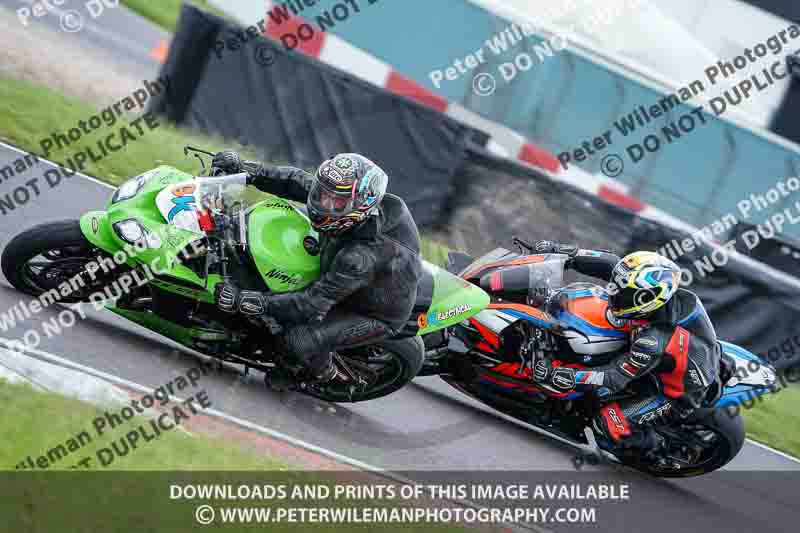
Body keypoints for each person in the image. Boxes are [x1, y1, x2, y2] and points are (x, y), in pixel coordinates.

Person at [210, 150, 423, 384]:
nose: (324, 203)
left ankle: (323, 374)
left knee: (299, 340)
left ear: (360, 206)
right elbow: (296, 182)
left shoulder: (359, 258)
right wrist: (246, 170)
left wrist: (247, 300)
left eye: (336, 202)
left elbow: (310, 304)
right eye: (323, 193)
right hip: (350, 262)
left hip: (371, 312)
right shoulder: (348, 203)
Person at [529, 244, 721, 452]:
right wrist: (561, 251)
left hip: (675, 394)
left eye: (623, 295)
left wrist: (569, 376)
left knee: (607, 424)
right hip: (681, 356)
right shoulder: (653, 294)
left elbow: (614, 377)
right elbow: (610, 263)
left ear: (645, 300)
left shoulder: (652, 341)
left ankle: (658, 446)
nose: (614, 294)